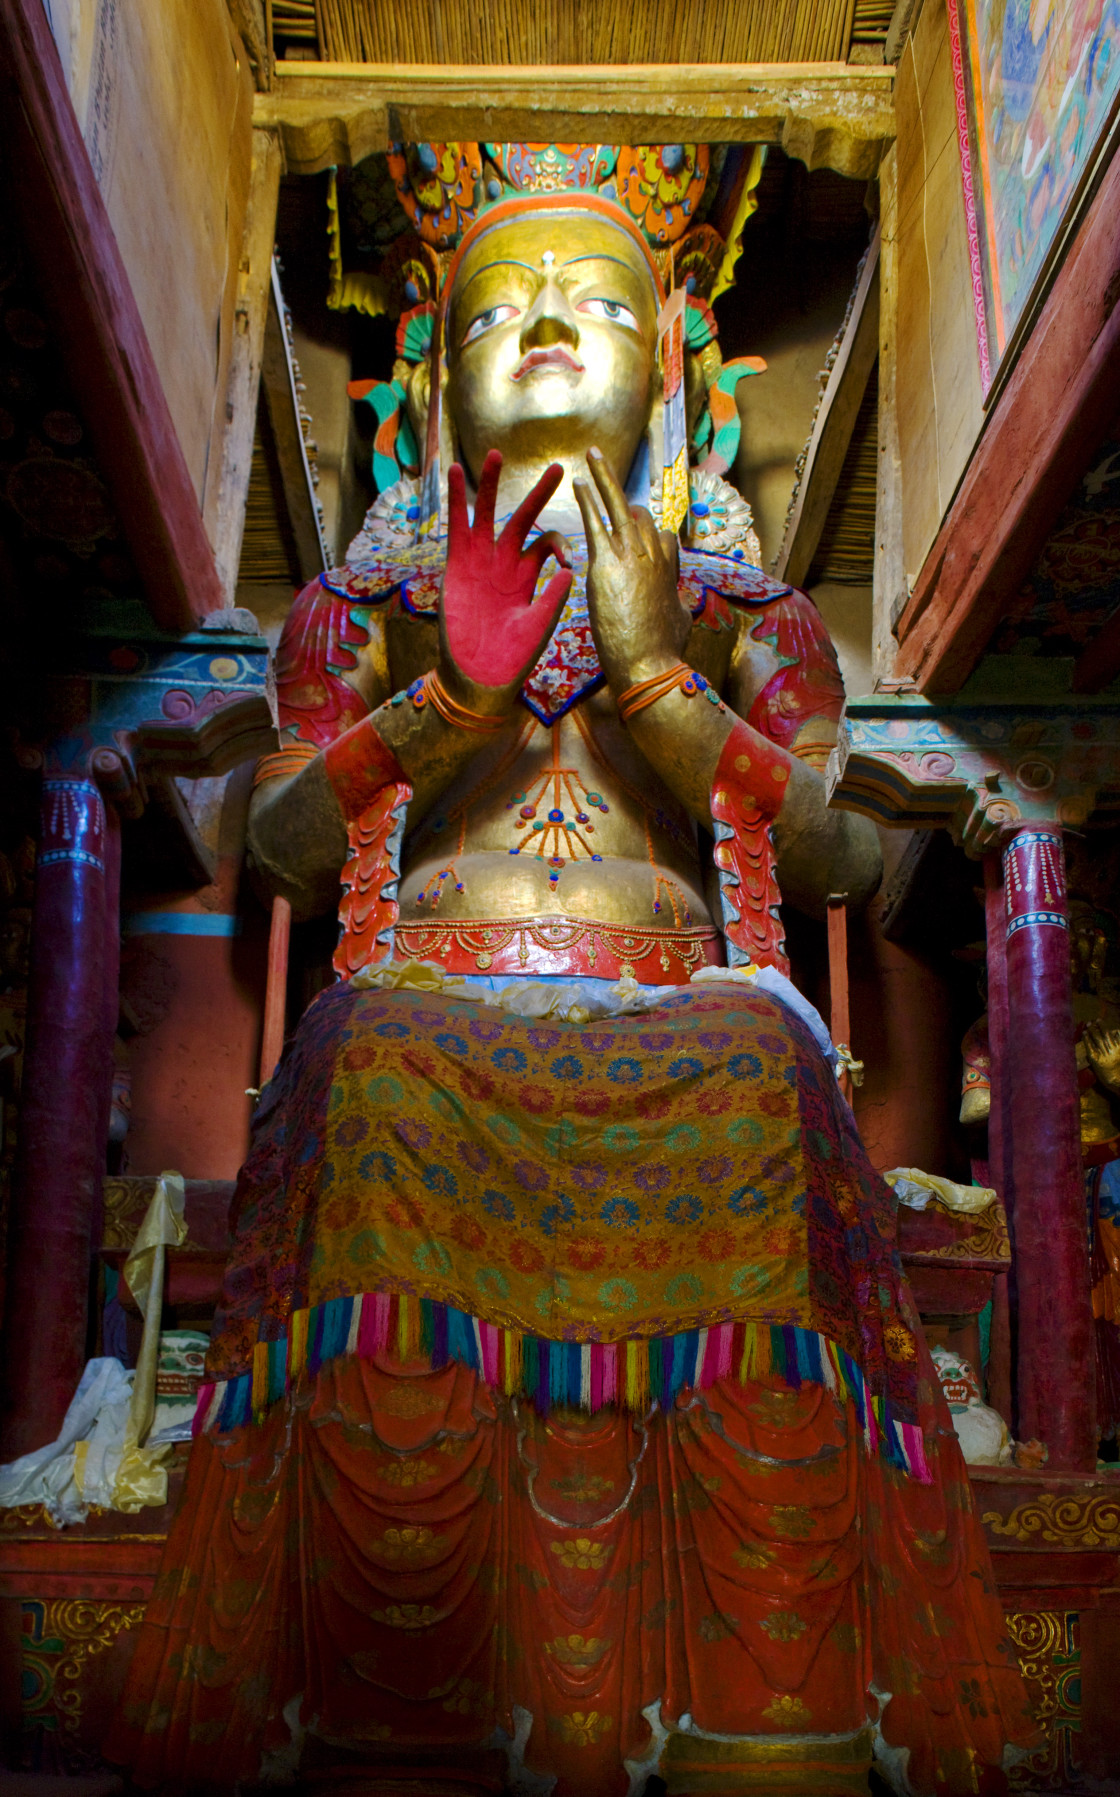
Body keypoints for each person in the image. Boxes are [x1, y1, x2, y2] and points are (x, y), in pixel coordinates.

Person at [110, 144, 1037, 1796]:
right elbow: (273, 844)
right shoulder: (363, 598)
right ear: (432, 382)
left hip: (683, 1017)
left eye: (595, 301)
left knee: (769, 1075)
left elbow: (833, 858)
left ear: (672, 371)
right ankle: (411, 1700)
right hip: (435, 1009)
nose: (545, 323)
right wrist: (447, 694)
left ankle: (766, 1712)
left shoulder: (750, 605)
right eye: (503, 306)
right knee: (364, 1054)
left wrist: (662, 675)